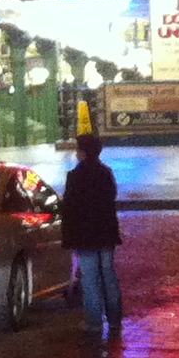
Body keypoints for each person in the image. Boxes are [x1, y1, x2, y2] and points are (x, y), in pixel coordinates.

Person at [60, 131, 124, 333]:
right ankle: (115, 318)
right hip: (106, 233)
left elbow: (70, 206)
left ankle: (94, 321)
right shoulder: (106, 173)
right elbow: (111, 198)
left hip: (85, 235)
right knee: (108, 274)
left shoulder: (75, 176)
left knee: (90, 277)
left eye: (78, 150)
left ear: (83, 152)